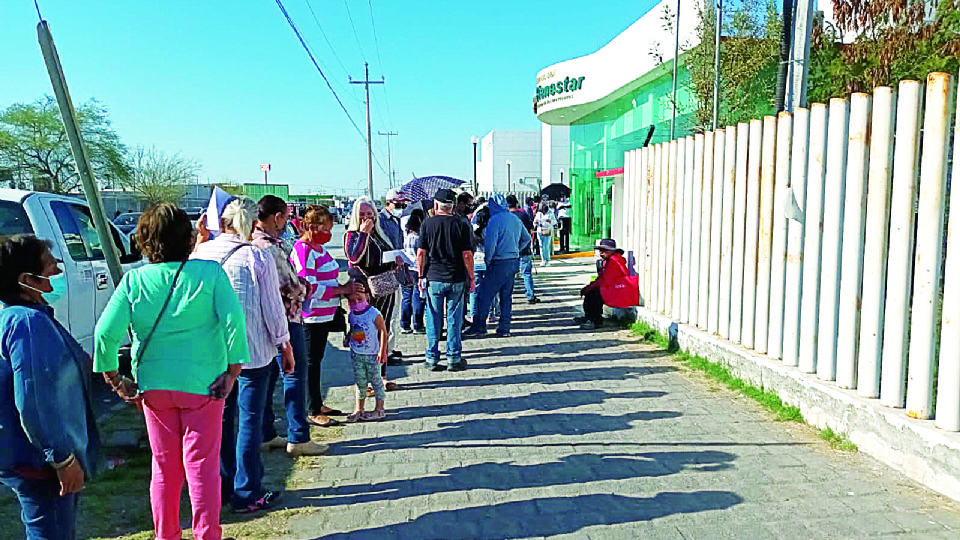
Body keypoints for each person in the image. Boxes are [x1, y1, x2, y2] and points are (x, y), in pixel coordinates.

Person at [95, 203, 248, 540]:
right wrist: (233, 371)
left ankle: (166, 535)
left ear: (145, 241)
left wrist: (114, 379)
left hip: (154, 386)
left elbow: (104, 334)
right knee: (202, 467)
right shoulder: (210, 274)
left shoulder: (134, 280)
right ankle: (207, 533)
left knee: (164, 467)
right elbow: (234, 322)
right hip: (206, 385)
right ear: (190, 237)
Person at [192, 198, 293, 514]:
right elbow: (272, 308)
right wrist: (284, 345)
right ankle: (247, 489)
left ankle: (220, 484)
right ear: (250, 224)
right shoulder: (255, 255)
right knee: (248, 420)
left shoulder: (200, 254)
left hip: (212, 352)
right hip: (252, 351)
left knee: (220, 420)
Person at [0, 235, 101, 540]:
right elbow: (35, 401)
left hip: (35, 457)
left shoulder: (25, 317)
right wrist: (62, 458)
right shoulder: (26, 323)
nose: (58, 270)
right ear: (26, 279)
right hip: (39, 462)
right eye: (50, 263)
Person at [252, 195, 329, 457]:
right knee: (294, 373)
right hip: (286, 317)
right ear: (276, 217)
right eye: (285, 217)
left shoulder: (252, 242)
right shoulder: (269, 248)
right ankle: (298, 436)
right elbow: (291, 285)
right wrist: (309, 288)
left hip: (260, 320)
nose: (287, 222)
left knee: (268, 375)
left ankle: (266, 433)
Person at [291, 206, 357, 426]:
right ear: (310, 227)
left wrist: (342, 288)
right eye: (325, 228)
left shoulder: (319, 248)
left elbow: (328, 278)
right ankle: (311, 408)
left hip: (325, 314)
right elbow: (307, 286)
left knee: (317, 360)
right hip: (311, 315)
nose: (329, 233)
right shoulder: (303, 250)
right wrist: (341, 290)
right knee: (310, 361)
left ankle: (317, 401)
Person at [345, 197, 403, 390]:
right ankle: (365, 380)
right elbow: (354, 257)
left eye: (370, 214)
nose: (366, 218)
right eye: (362, 214)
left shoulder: (380, 234)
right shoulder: (352, 235)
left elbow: (381, 259)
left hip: (384, 288)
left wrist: (396, 261)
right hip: (364, 292)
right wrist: (363, 234)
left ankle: (381, 375)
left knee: (382, 330)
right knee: (365, 334)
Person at [417, 188, 475, 371]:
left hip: (434, 277)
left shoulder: (427, 224)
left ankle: (432, 358)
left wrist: (420, 276)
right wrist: (471, 277)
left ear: (436, 205)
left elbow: (421, 253)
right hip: (456, 277)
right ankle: (453, 358)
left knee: (433, 318)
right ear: (453, 206)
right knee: (454, 319)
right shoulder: (461, 224)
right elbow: (467, 254)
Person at [463, 194, 529, 338]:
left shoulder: (494, 221)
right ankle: (504, 328)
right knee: (506, 297)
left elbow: (490, 245)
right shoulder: (515, 219)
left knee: (485, 296)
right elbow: (527, 238)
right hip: (512, 261)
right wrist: (516, 249)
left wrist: (488, 260)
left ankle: (479, 326)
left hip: (498, 262)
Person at [342, 280, 388, 422]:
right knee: (360, 382)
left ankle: (379, 409)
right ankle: (359, 409)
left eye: (360, 299)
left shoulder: (374, 313)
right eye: (352, 301)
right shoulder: (352, 314)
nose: (356, 303)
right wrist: (348, 337)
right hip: (357, 354)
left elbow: (383, 332)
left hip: (372, 354)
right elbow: (353, 328)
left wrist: (382, 351)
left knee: (376, 382)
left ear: (367, 296)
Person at [576, 238, 634, 330]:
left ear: (612, 251)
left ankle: (595, 320)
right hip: (613, 288)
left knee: (593, 295)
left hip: (618, 291)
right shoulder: (609, 261)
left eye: (604, 251)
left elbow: (604, 280)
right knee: (592, 292)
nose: (601, 253)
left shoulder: (614, 262)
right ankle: (589, 317)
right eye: (600, 251)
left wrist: (588, 288)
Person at [379, 189, 405, 366]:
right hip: (384, 273)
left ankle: (390, 346)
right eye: (399, 204)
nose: (401, 207)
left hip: (396, 271)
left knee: (395, 313)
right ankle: (384, 350)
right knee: (387, 314)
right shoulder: (380, 221)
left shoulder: (396, 220)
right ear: (389, 202)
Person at [506, 195, 540, 304]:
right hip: (524, 249)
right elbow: (531, 229)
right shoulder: (523, 215)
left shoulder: (504, 217)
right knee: (526, 274)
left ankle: (507, 297)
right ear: (517, 204)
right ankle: (530, 295)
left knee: (509, 275)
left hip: (509, 250)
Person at [400, 214, 425, 334]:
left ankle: (405, 324)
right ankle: (417, 324)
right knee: (418, 297)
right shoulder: (418, 237)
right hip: (416, 269)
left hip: (406, 268)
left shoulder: (406, 237)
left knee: (406, 297)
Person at [534, 202, 558, 267]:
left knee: (546, 246)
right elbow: (535, 221)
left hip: (548, 230)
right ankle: (543, 260)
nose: (543, 212)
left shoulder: (550, 213)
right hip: (540, 230)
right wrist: (536, 223)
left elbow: (555, 221)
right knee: (541, 245)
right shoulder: (539, 213)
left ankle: (547, 260)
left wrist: (550, 221)